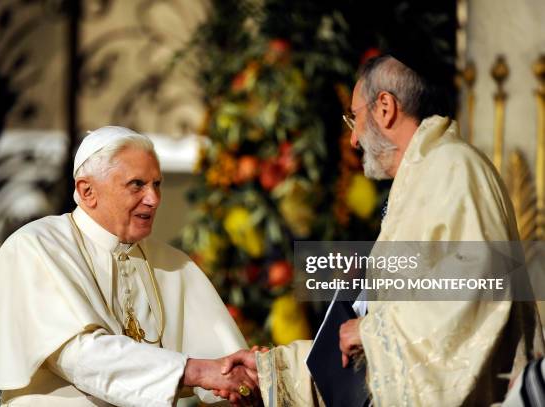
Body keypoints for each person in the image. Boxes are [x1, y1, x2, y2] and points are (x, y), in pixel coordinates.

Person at [221, 55, 544, 406]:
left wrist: (371, 332)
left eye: (354, 119)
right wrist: (272, 372)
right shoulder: (420, 179)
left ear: (385, 107)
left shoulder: (453, 167)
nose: (353, 140)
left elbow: (477, 291)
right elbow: (362, 326)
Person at [0, 126, 259, 406]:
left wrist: (250, 374)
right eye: (136, 185)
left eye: (157, 184)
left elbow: (217, 365)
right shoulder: (36, 247)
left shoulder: (173, 264)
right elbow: (79, 356)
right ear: (87, 191)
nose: (153, 198)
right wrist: (196, 371)